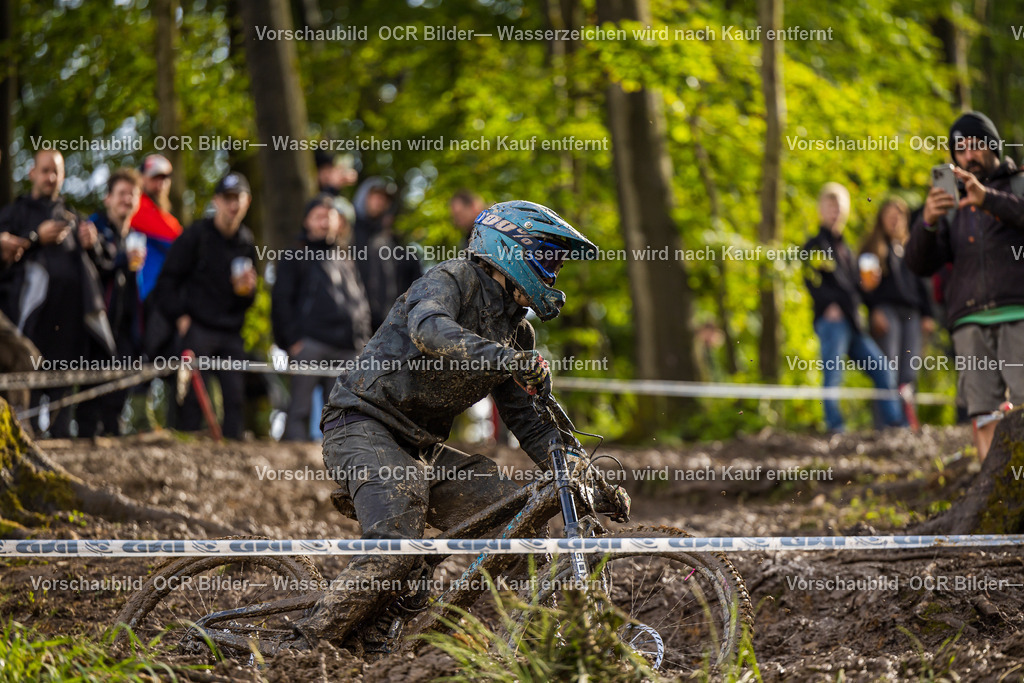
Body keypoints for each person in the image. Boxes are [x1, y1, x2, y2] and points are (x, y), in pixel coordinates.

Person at [293, 200, 611, 648]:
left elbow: (531, 424)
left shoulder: (517, 331)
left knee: (514, 516)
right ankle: (303, 643)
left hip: (421, 445)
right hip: (362, 423)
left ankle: (539, 645)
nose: (552, 273)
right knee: (396, 547)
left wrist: (586, 477)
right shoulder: (453, 279)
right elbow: (429, 330)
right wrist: (506, 360)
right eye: (546, 259)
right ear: (509, 250)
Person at [905, 111, 1024, 460]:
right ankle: (995, 497)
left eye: (974, 146)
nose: (968, 156)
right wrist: (927, 222)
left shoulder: (1018, 185)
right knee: (984, 412)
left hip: (1019, 311)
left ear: (993, 146)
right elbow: (918, 264)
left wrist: (987, 198)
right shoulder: (952, 206)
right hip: (969, 320)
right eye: (960, 150)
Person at [0, 150, 115, 437]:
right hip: (27, 328)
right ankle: (25, 444)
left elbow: (107, 266)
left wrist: (93, 245)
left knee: (62, 400)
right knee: (27, 390)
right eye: (45, 171)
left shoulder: (73, 218)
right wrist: (36, 238)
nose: (50, 178)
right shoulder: (14, 214)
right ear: (32, 174)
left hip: (69, 330)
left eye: (56, 172)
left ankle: (63, 453)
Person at [151, 172, 258, 440]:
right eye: (228, 198)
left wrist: (249, 292)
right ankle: (186, 450)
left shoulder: (247, 242)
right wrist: (180, 316)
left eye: (239, 198)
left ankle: (233, 456)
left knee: (235, 398)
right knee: (189, 399)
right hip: (197, 328)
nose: (234, 205)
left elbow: (248, 301)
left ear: (248, 202)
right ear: (217, 201)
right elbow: (165, 283)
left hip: (231, 332)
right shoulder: (195, 235)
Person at [802, 182, 906, 433]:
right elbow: (810, 279)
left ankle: (894, 424)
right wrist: (830, 305)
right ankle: (835, 426)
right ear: (821, 209)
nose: (834, 211)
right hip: (833, 323)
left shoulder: (846, 249)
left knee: (882, 369)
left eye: (838, 206)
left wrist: (868, 287)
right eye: (829, 205)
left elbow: (854, 288)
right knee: (833, 374)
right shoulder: (815, 245)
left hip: (853, 323)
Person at [272, 194, 371, 441]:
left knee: (343, 413)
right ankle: (289, 466)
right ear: (306, 221)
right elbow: (281, 301)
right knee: (300, 408)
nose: (325, 223)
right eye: (319, 217)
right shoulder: (294, 254)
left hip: (348, 347)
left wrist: (364, 341)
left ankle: (334, 463)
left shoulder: (346, 258)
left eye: (329, 217)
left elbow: (360, 302)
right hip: (310, 344)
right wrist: (291, 341)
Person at [858, 197, 936, 425]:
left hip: (912, 314)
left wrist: (928, 314)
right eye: (890, 216)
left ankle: (907, 423)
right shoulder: (872, 249)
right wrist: (873, 310)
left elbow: (923, 284)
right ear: (881, 220)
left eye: (899, 216)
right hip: (886, 311)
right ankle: (885, 425)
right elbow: (864, 287)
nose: (894, 221)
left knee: (908, 373)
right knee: (887, 368)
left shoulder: (912, 250)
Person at [89, 168, 145, 434]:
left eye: (132, 195)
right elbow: (96, 267)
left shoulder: (136, 237)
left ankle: (114, 432)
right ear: (108, 198)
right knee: (90, 391)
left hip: (125, 327)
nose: (127, 200)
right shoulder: (93, 229)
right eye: (121, 194)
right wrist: (121, 260)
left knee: (119, 389)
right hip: (95, 326)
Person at [352, 177, 422, 332]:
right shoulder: (348, 236)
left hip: (385, 325)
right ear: (363, 197)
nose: (379, 202)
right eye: (375, 196)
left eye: (384, 199)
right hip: (353, 325)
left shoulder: (388, 242)